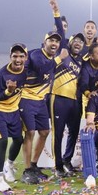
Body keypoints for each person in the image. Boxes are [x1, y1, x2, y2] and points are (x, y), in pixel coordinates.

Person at [19, 30, 66, 184]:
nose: (54, 44)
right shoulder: (36, 55)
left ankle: (33, 166)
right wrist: (59, 59)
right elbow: (41, 67)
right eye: (51, 41)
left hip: (40, 101)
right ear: (44, 42)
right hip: (27, 99)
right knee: (30, 133)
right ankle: (26, 171)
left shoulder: (52, 58)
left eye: (57, 42)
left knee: (45, 131)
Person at [0, 43, 28, 192]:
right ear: (10, 57)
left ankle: (8, 165)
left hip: (13, 110)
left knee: (19, 139)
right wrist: (8, 91)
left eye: (21, 56)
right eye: (15, 56)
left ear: (25, 57)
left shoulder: (26, 71)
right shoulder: (1, 74)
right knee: (3, 140)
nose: (18, 59)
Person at [50, 32, 84, 177]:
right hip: (58, 98)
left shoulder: (83, 61)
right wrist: (56, 13)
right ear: (69, 42)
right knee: (57, 134)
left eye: (81, 42)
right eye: (75, 40)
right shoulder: (63, 53)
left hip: (75, 101)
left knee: (74, 132)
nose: (78, 43)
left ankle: (67, 161)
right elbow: (59, 31)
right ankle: (58, 166)